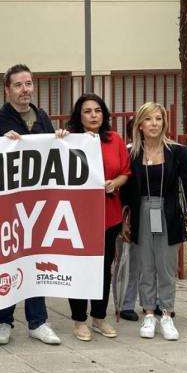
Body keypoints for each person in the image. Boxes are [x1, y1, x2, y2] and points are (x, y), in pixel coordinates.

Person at [0, 64, 63, 346]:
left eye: (28, 84)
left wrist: (61, 139)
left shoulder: (43, 117)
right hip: (6, 207)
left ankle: (38, 322)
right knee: (7, 261)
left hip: (36, 206)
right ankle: (3, 321)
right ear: (7, 90)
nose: (25, 90)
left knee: (35, 261)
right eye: (18, 85)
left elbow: (53, 154)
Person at [121, 102, 187, 340]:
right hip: (141, 212)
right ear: (139, 124)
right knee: (146, 266)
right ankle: (148, 314)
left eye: (158, 119)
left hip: (168, 212)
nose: (154, 124)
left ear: (164, 123)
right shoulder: (131, 153)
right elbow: (126, 191)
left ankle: (166, 314)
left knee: (166, 267)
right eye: (148, 119)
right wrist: (125, 219)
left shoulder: (177, 152)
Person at [65, 94, 131, 341]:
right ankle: (79, 320)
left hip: (109, 215)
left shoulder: (114, 139)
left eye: (98, 110)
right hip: (79, 217)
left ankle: (99, 318)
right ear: (79, 116)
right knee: (79, 268)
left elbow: (125, 172)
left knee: (103, 269)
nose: (93, 115)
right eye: (87, 111)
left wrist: (115, 183)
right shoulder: (68, 141)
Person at [118, 117, 140, 322]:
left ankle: (156, 302)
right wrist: (124, 218)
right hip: (129, 212)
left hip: (155, 212)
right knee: (128, 260)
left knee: (155, 261)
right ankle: (125, 304)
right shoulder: (126, 153)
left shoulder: (164, 151)